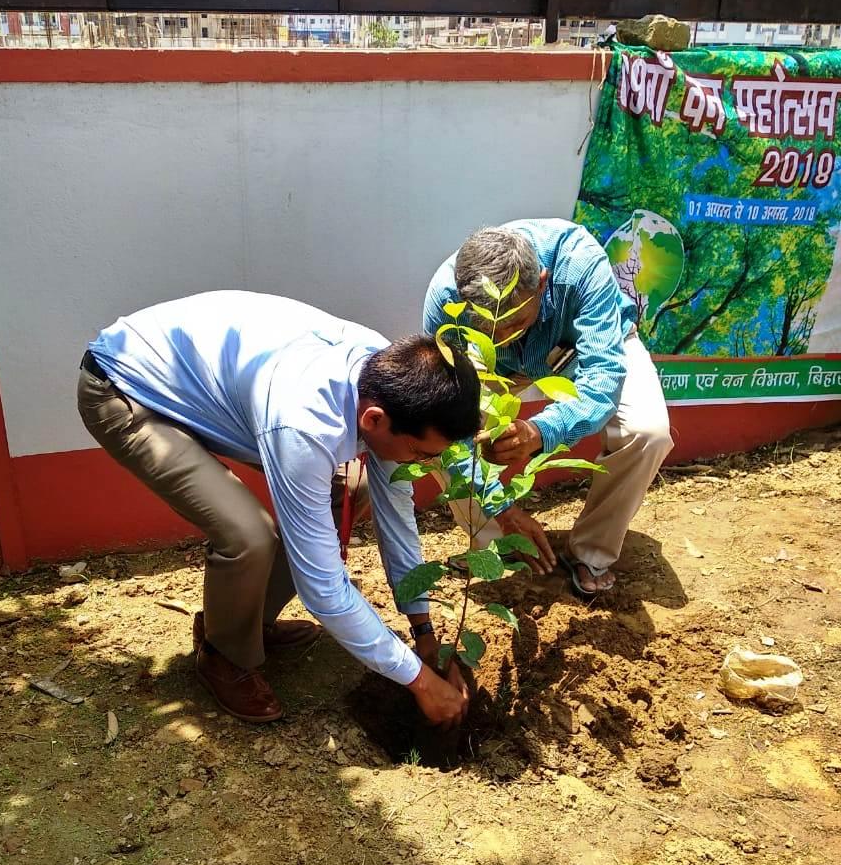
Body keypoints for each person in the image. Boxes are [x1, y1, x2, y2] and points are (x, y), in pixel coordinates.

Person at [78, 290, 479, 724]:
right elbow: (322, 590)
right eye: (420, 453)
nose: (425, 464)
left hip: (204, 388)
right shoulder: (306, 423)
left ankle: (250, 623)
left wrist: (424, 633)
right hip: (126, 387)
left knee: (354, 488)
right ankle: (222, 654)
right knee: (248, 534)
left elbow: (396, 513)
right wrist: (418, 680)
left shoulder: (386, 378)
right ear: (374, 421)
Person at [423, 220, 673, 595]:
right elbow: (439, 415)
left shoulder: (580, 264)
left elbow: (603, 375)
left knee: (647, 433)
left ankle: (592, 552)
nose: (504, 335)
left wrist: (539, 432)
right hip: (495, 365)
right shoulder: (447, 300)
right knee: (438, 434)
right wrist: (501, 507)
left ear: (541, 282)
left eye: (517, 322)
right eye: (493, 327)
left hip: (580, 350)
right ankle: (494, 542)